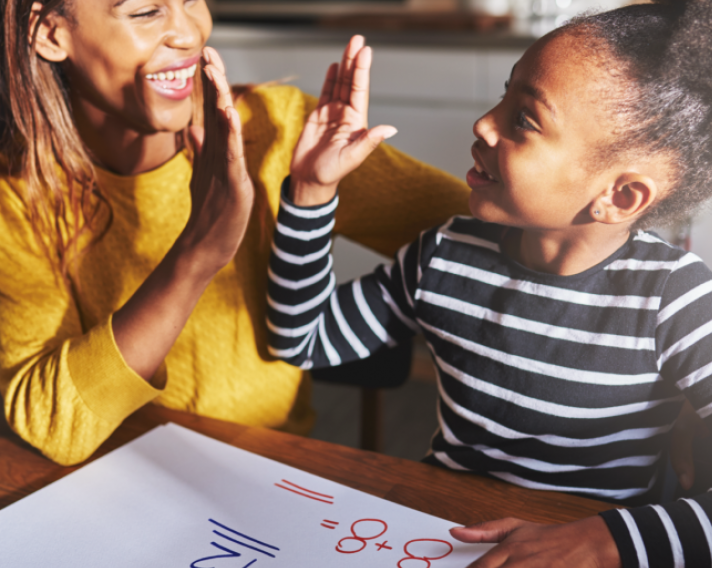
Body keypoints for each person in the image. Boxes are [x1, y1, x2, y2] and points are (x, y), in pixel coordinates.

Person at [265, 0, 712, 566]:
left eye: (524, 118)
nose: (484, 123)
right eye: (503, 95)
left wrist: (607, 541)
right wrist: (310, 193)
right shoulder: (445, 254)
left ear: (620, 196)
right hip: (441, 529)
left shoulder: (679, 299)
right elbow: (302, 340)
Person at [0, 1, 472, 466]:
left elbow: (502, 241)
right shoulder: (16, 195)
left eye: (191, 1)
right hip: (109, 475)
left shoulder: (279, 130)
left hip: (268, 472)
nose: (190, 34)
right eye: (146, 12)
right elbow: (51, 425)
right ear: (49, 33)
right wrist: (195, 256)